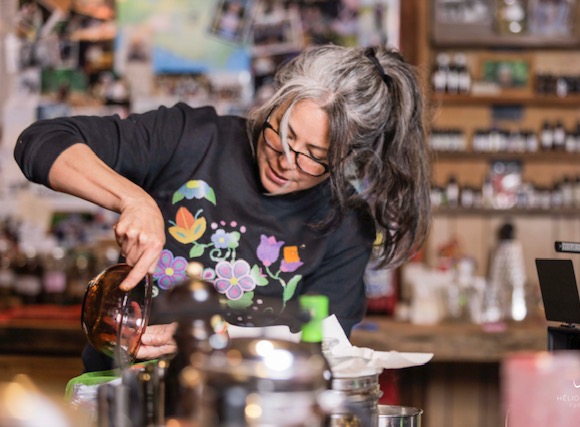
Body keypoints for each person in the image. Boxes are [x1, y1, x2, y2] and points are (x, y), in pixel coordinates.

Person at [14, 44, 431, 371]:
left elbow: (320, 351)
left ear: (347, 158)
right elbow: (41, 142)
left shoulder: (344, 225)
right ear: (273, 105)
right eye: (282, 135)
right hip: (124, 391)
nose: (286, 161)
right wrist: (133, 199)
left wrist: (208, 339)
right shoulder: (193, 138)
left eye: (313, 156)